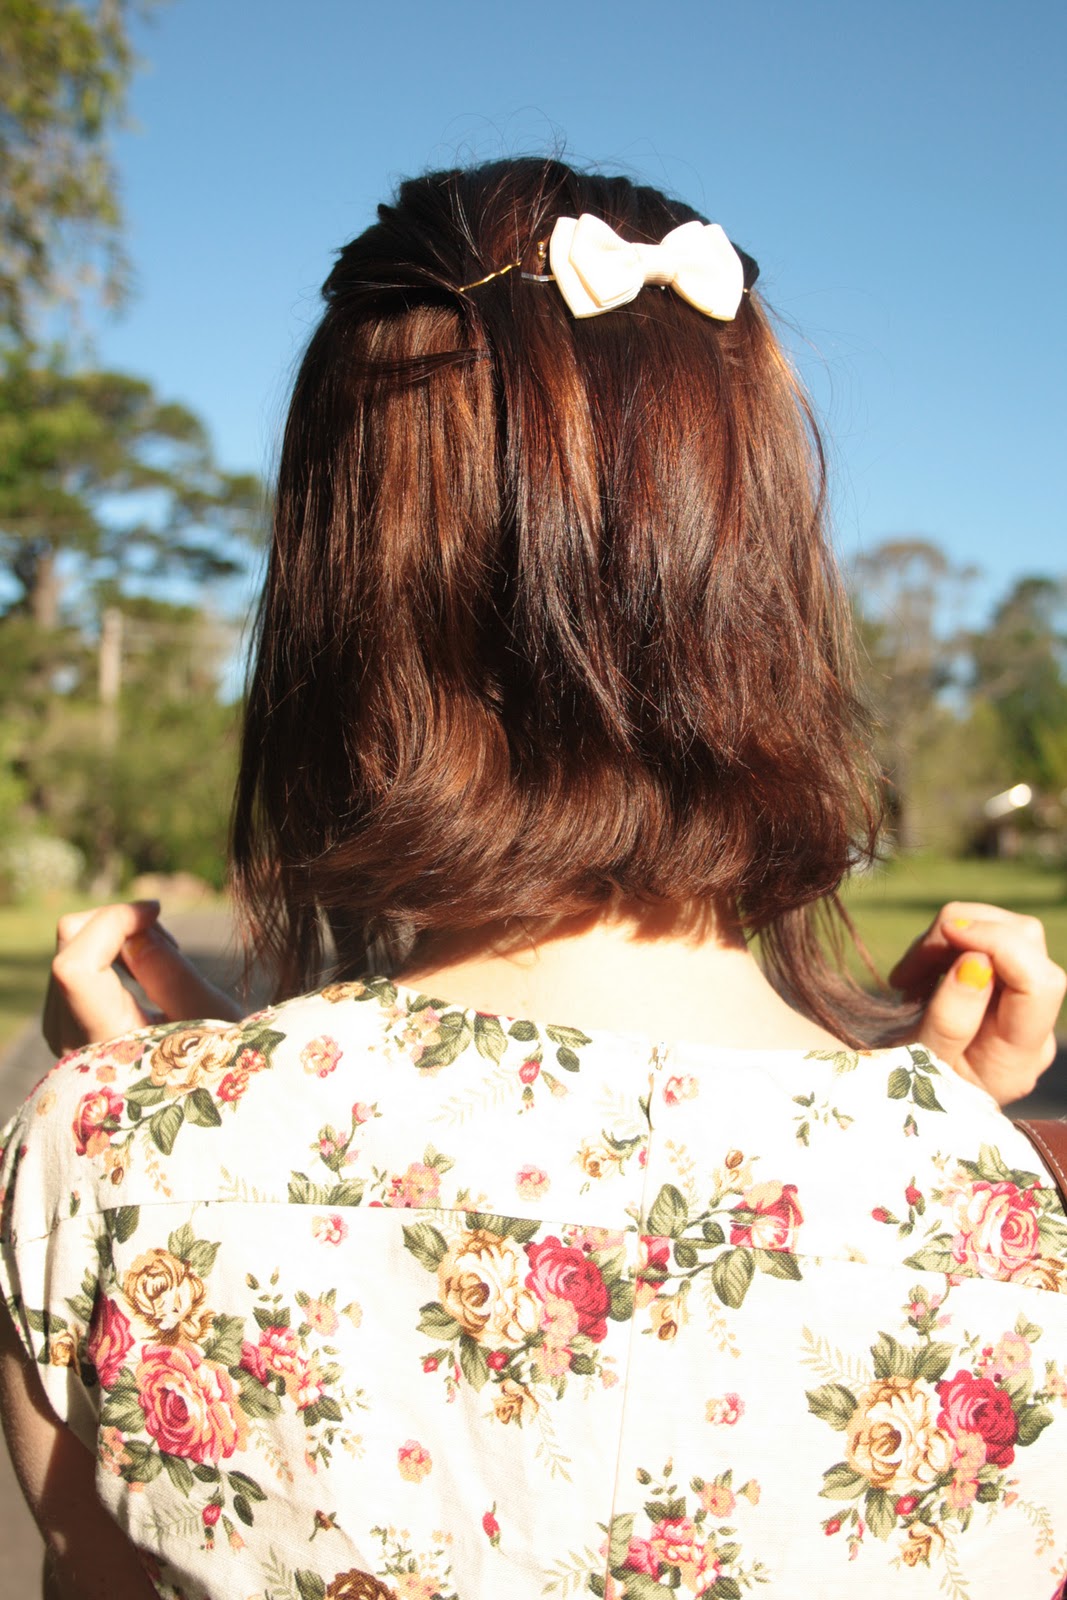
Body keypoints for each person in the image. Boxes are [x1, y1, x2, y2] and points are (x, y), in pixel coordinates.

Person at [1, 158, 1065, 1600]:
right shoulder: (995, 1221)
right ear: (755, 579)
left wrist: (175, 1123)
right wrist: (928, 1139)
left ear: (341, 595)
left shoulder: (109, 1157)